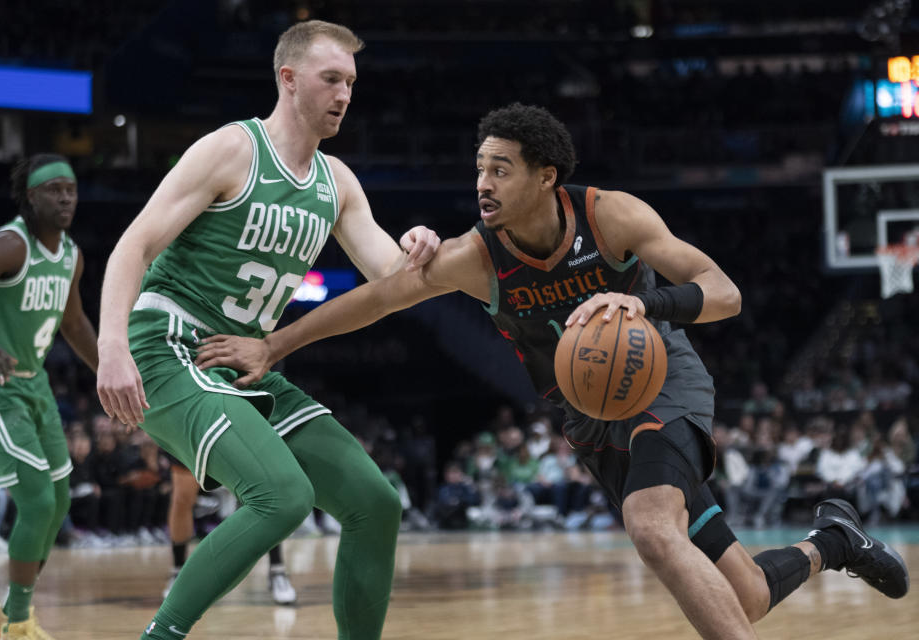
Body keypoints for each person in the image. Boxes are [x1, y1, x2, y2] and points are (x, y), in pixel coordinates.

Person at [197, 103, 910, 639]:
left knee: (649, 523)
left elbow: (726, 292)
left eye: (499, 169)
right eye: (478, 167)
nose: (482, 181)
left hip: (665, 384)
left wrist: (641, 301)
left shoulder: (611, 217)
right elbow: (377, 299)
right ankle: (835, 541)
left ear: (546, 176)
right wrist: (274, 346)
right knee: (745, 593)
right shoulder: (478, 258)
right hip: (589, 419)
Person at [95, 20, 440, 640]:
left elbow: (392, 277)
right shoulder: (231, 149)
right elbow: (133, 245)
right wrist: (111, 347)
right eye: (330, 78)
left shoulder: (338, 183)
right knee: (282, 496)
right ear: (288, 78)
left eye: (352, 83)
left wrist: (419, 244)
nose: (344, 94)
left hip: (241, 361)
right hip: (166, 344)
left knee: (376, 503)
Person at [0, 154, 98, 640]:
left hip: (32, 379)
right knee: (37, 502)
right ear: (31, 197)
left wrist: (111, 374)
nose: (65, 197)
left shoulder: (71, 256)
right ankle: (15, 622)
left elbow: (74, 323)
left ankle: (7, 615)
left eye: (72, 189)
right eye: (54, 189)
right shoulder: (9, 245)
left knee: (57, 504)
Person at [163, 455, 296, 604]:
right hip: (193, 432)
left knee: (263, 492)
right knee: (182, 497)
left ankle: (277, 569)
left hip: (239, 431)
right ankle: (178, 572)